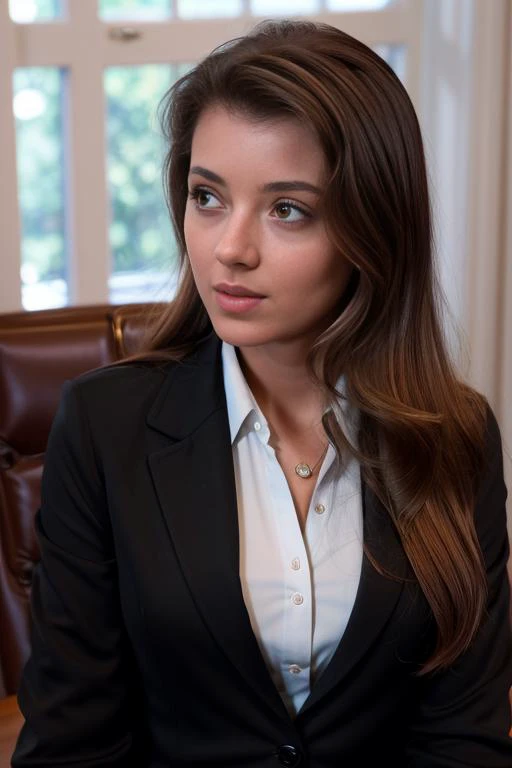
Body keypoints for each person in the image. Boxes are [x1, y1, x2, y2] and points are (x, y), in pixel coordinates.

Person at [12, 18, 512, 768]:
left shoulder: (455, 435)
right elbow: (73, 742)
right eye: (207, 196)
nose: (230, 248)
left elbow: (462, 740)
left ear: (373, 229)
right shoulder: (104, 427)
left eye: (287, 209)